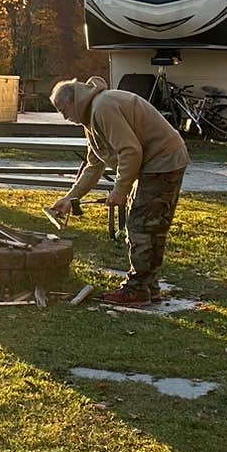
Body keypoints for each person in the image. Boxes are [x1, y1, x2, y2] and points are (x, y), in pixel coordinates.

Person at [48, 76, 189, 307]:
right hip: (155, 163)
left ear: (73, 101)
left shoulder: (103, 108)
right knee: (148, 225)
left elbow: (130, 151)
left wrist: (120, 190)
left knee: (141, 227)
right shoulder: (91, 116)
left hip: (163, 161)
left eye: (64, 110)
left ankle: (137, 290)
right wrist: (70, 198)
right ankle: (148, 286)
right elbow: (94, 164)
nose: (64, 117)